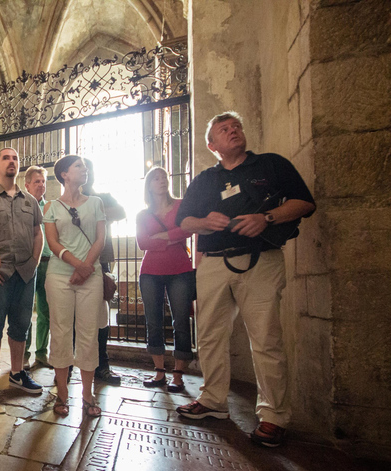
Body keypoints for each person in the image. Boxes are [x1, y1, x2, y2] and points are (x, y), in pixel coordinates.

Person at [175, 111, 316, 448]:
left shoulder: (270, 165)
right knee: (209, 335)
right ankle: (212, 400)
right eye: (223, 129)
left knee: (265, 337)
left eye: (236, 126)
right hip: (212, 263)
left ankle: (273, 415)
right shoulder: (205, 179)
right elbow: (183, 222)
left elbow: (305, 203)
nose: (232, 131)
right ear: (212, 145)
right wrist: (204, 222)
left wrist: (266, 216)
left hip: (260, 261)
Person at [44, 155, 107, 417]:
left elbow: (101, 238)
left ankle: (87, 393)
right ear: (64, 174)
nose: (85, 169)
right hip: (59, 276)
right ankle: (62, 393)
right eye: (79, 165)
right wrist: (75, 264)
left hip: (90, 276)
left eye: (85, 165)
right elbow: (53, 243)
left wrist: (85, 267)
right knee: (60, 332)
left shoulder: (96, 203)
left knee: (88, 333)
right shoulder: (51, 207)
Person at [0, 148, 44, 399]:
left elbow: (37, 232)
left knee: (21, 325)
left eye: (15, 158)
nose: (11, 161)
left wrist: (35, 262)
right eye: (6, 158)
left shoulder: (30, 200)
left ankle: (17, 373)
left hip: (26, 273)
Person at [135, 166, 195, 392]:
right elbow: (143, 243)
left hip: (179, 269)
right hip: (150, 272)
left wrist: (162, 236)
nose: (162, 181)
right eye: (156, 178)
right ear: (149, 185)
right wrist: (171, 238)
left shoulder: (180, 206)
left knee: (180, 319)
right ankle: (159, 372)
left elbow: (187, 230)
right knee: (153, 321)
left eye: (164, 178)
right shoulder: (142, 214)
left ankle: (178, 374)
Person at [81, 158, 126, 385]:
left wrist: (92, 211)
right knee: (73, 317)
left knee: (101, 317)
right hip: (74, 264)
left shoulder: (102, 197)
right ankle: (72, 364)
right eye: (80, 169)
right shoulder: (64, 201)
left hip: (101, 263)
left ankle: (102, 365)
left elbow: (121, 212)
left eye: (88, 169)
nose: (85, 173)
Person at [23, 166, 52, 369]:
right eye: (37, 181)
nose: (41, 185)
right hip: (29, 263)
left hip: (49, 264)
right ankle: (23, 354)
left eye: (43, 181)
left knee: (45, 311)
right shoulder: (22, 207)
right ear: (27, 185)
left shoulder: (51, 207)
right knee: (25, 311)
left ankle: (41, 354)